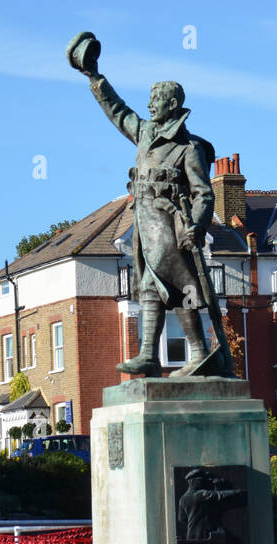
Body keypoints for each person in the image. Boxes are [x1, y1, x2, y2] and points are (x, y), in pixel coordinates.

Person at [70, 33, 231, 377]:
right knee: (150, 287)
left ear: (172, 105)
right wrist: (95, 77)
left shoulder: (189, 149)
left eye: (156, 99)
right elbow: (118, 111)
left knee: (178, 287)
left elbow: (204, 192)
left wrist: (198, 226)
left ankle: (198, 350)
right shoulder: (144, 134)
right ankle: (149, 355)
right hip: (144, 226)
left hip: (171, 228)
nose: (149, 105)